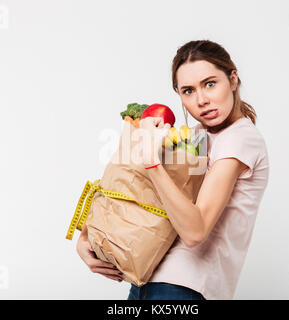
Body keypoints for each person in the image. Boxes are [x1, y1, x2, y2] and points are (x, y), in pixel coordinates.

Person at [76, 39, 269, 300]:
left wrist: (153, 163)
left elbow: (195, 232)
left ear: (233, 80)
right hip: (148, 277)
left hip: (184, 287)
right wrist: (86, 236)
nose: (201, 100)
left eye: (210, 84)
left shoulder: (240, 138)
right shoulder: (195, 137)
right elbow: (136, 189)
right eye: (188, 91)